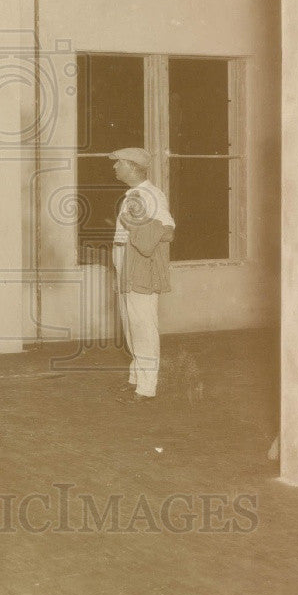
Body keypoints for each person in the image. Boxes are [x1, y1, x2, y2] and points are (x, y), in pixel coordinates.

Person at [108, 147, 175, 403]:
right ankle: (136, 379)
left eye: (119, 163)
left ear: (132, 167)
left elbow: (168, 230)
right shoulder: (134, 195)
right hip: (126, 261)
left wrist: (138, 229)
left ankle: (146, 389)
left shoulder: (151, 195)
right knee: (131, 323)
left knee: (144, 325)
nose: (115, 168)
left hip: (140, 264)